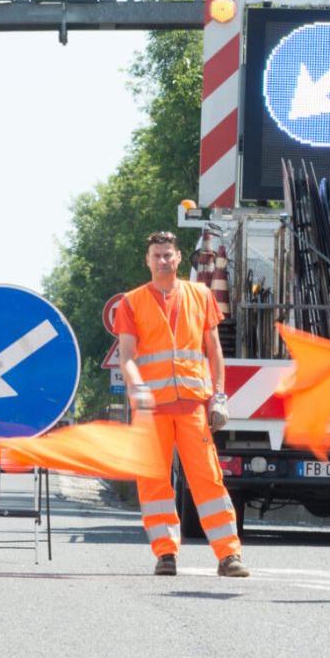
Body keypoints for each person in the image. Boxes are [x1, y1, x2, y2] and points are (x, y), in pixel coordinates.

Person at [115, 231, 248, 577]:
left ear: (178, 259)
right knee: (155, 481)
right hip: (152, 409)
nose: (162, 261)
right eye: (156, 255)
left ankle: (228, 556)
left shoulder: (200, 295)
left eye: (168, 255)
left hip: (191, 405)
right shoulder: (131, 302)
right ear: (147, 260)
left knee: (207, 479)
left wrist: (219, 396)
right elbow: (126, 356)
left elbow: (214, 350)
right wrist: (138, 386)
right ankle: (165, 554)